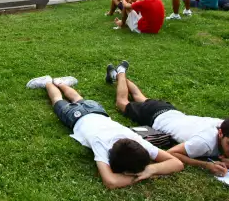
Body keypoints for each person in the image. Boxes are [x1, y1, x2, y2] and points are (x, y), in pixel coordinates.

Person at [112, 66, 229, 175]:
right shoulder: (205, 142)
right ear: (220, 133)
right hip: (156, 117)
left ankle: (118, 75)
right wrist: (205, 165)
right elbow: (172, 154)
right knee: (123, 103)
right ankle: (120, 72)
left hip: (173, 113)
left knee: (142, 98)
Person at [25, 74, 183, 188]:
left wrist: (151, 169)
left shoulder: (135, 139)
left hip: (97, 110)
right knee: (58, 101)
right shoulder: (101, 144)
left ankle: (59, 82)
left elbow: (177, 163)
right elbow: (110, 181)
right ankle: (48, 82)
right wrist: (144, 174)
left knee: (78, 99)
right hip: (76, 118)